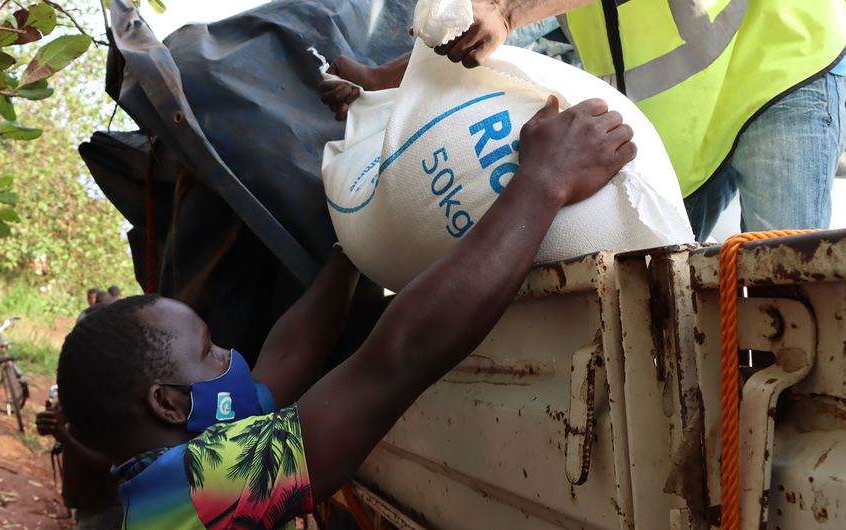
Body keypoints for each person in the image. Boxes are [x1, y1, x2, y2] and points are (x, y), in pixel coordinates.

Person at [56, 98, 633, 529]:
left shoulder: (150, 483)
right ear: (168, 402)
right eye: (209, 350)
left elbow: (284, 361)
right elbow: (397, 359)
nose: (232, 356)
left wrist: (353, 247)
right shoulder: (185, 497)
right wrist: (542, 182)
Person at [321, 0, 846, 242]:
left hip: (776, 63)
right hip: (676, 127)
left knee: (785, 282)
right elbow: (506, 36)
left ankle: (782, 457)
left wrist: (505, 11)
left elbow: (506, 18)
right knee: (669, 300)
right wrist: (396, 78)